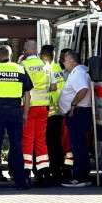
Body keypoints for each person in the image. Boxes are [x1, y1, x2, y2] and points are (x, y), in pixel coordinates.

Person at [0, 44, 32, 191]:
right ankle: (21, 182)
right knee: (16, 145)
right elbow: (28, 95)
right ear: (10, 55)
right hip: (15, 111)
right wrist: (25, 113)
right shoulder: (20, 69)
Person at [19, 40, 55, 185]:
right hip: (43, 108)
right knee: (40, 140)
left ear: (26, 51)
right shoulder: (46, 65)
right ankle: (44, 173)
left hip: (28, 107)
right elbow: (53, 86)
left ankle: (26, 172)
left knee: (27, 140)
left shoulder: (22, 66)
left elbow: (20, 88)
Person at [58, 49, 93, 188]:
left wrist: (73, 104)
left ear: (72, 61)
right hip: (79, 113)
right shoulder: (80, 70)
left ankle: (79, 177)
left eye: (65, 60)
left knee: (78, 147)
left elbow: (83, 89)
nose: (63, 63)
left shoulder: (78, 73)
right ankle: (82, 174)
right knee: (80, 146)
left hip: (78, 113)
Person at [41, 45, 68, 184]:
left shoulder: (48, 68)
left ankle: (55, 171)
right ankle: (57, 171)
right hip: (57, 112)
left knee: (51, 144)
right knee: (55, 144)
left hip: (50, 112)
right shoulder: (57, 68)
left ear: (43, 55)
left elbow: (54, 90)